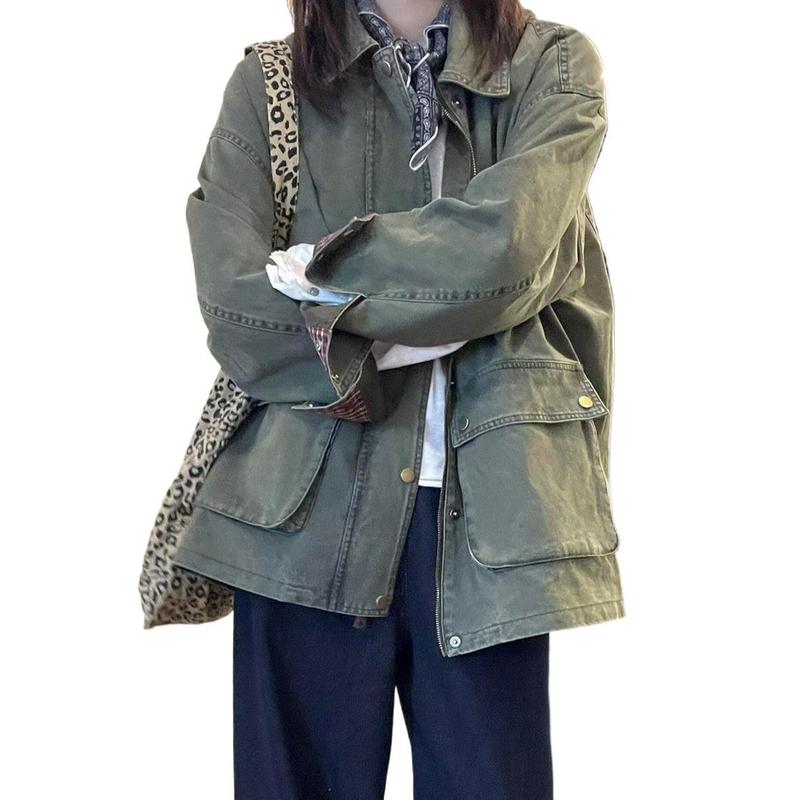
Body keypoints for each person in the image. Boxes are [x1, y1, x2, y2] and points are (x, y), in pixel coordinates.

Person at [171, 1, 624, 797]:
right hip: (299, 521)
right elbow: (237, 312)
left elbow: (509, 250)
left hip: (493, 524)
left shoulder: (552, 66)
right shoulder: (268, 84)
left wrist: (315, 279)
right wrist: (453, 306)